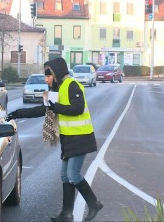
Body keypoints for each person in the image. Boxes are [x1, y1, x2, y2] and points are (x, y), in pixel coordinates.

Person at [7, 57, 103, 222]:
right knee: (65, 176)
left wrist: (55, 107)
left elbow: (78, 108)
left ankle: (94, 203)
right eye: (45, 76)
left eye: (48, 75)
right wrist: (16, 113)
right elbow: (41, 110)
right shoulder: (56, 91)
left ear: (57, 73)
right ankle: (66, 214)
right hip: (68, 139)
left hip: (81, 137)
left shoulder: (72, 85)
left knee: (73, 175)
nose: (46, 79)